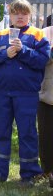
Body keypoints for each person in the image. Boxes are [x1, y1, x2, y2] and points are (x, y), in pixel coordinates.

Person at [0, 0, 50, 185]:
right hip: (2, 92)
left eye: (24, 13)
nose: (20, 17)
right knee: (1, 132)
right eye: (16, 13)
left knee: (27, 133)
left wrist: (23, 50)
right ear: (10, 15)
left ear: (30, 15)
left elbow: (41, 61)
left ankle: (29, 174)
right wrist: (6, 54)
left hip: (27, 94)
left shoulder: (38, 35)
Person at [37, 24, 53, 187]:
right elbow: (38, 59)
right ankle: (47, 170)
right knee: (46, 135)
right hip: (48, 94)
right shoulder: (44, 33)